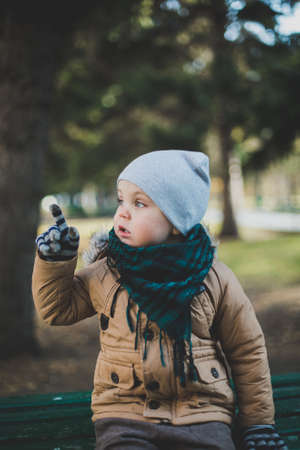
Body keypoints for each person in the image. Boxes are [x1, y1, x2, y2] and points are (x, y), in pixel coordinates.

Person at [32, 150, 288, 450]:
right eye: (121, 200)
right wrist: (56, 260)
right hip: (126, 414)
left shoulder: (214, 279)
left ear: (177, 220)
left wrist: (258, 423)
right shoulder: (107, 271)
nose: (123, 212)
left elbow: (247, 350)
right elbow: (57, 310)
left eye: (139, 203)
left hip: (202, 414)